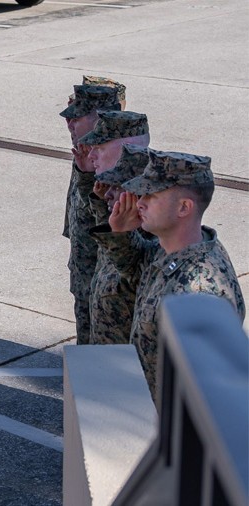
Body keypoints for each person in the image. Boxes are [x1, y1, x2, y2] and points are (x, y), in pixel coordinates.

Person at [95, 150, 245, 401]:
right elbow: (138, 270)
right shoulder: (172, 248)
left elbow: (205, 396)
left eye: (150, 196)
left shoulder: (198, 293)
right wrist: (119, 233)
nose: (139, 202)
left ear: (184, 207)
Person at [58, 84, 121, 344]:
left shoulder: (115, 164)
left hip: (106, 283)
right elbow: (76, 206)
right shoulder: (85, 157)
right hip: (84, 271)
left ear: (101, 119)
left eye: (77, 118)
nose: (70, 124)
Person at [88, 144, 149, 345]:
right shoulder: (122, 236)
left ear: (138, 196)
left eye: (117, 187)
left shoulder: (150, 248)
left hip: (126, 368)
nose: (107, 194)